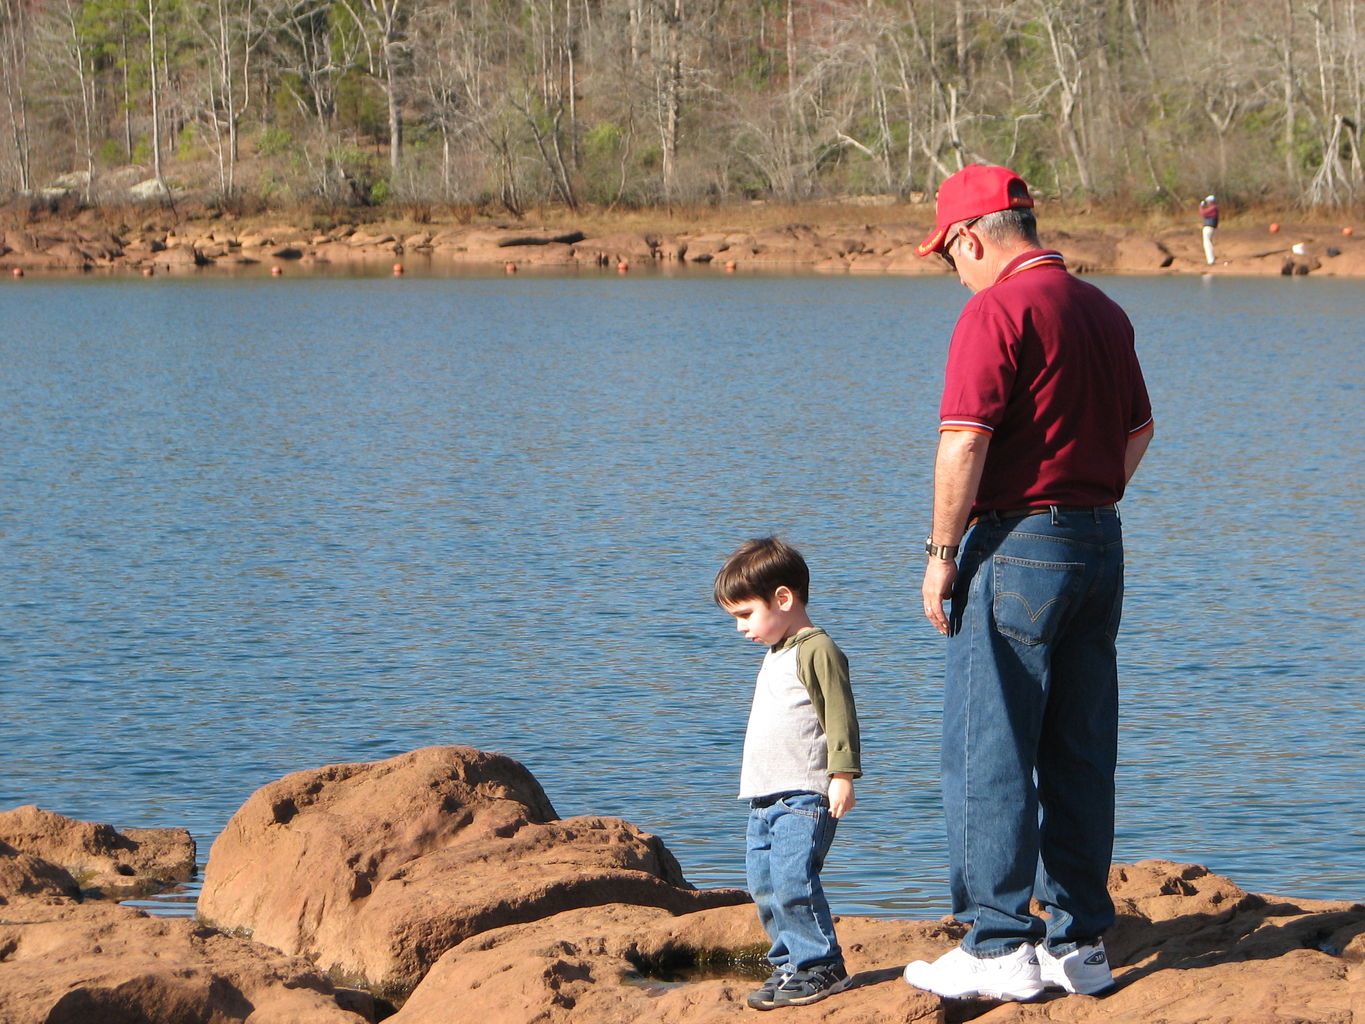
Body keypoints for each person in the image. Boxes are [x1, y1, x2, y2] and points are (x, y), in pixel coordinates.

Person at [904, 164, 1154, 1002]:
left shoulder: (995, 309)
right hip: (1098, 540)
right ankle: (1080, 944)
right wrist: (1089, 496)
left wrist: (941, 553)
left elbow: (963, 442)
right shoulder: (1102, 309)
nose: (955, 275)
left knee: (990, 742)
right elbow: (1139, 429)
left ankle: (999, 942)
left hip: (1018, 542)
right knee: (1079, 746)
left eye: (950, 257)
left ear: (970, 237)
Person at [714, 536, 862, 1011]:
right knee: (763, 883)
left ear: (783, 598)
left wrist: (842, 774)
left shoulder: (816, 648)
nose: (740, 628)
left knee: (795, 880)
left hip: (804, 795)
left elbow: (839, 714)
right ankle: (789, 964)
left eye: (744, 615)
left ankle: (822, 965)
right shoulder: (777, 650)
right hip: (764, 799)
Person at [1200, 194, 1219, 265]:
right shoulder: (1214, 208)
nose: (1207, 203)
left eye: (1208, 201)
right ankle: (1211, 260)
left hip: (1209, 227)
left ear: (1211, 201)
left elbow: (1203, 213)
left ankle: (1210, 261)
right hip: (1210, 227)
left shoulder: (1213, 208)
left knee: (1207, 244)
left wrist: (1201, 207)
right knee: (1208, 243)